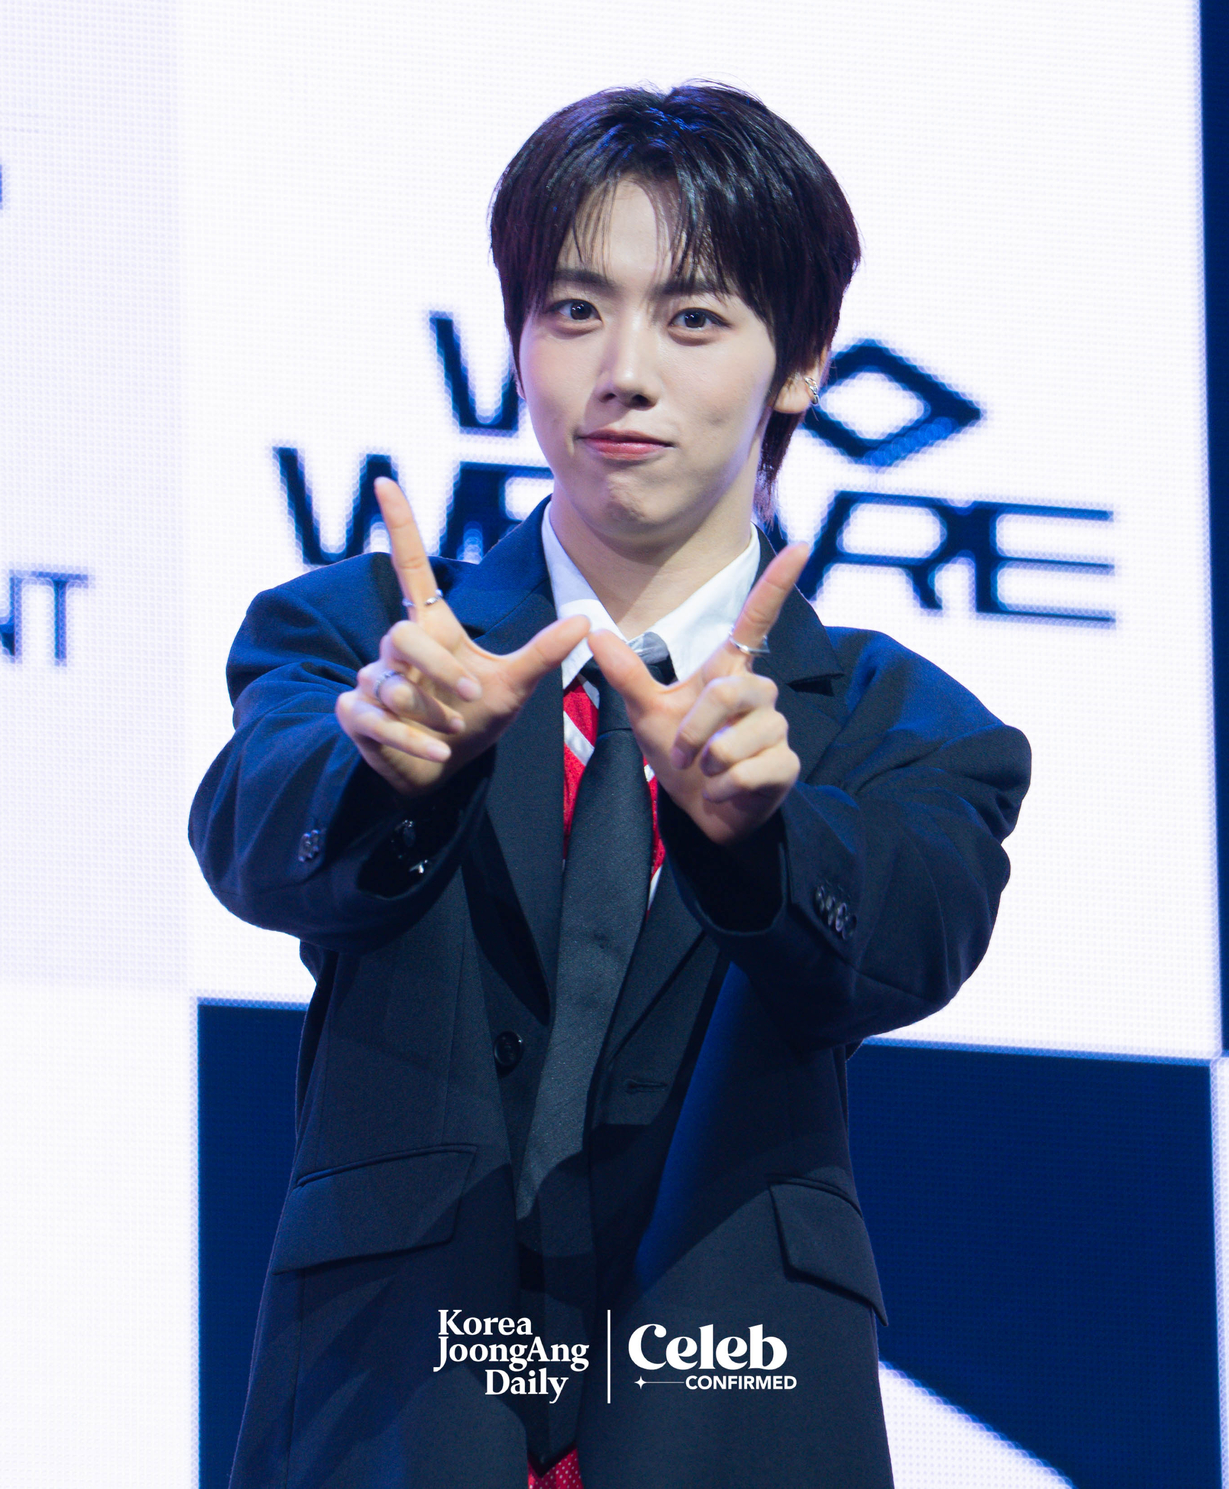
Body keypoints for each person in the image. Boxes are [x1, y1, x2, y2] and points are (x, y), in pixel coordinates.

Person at [190, 84, 1029, 1489]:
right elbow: (251, 838)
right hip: (394, 1403)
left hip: (736, 1409)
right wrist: (391, 764)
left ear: (803, 359)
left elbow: (908, 941)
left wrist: (758, 836)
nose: (618, 370)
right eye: (574, 310)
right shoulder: (361, 637)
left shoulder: (904, 725)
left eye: (691, 318)